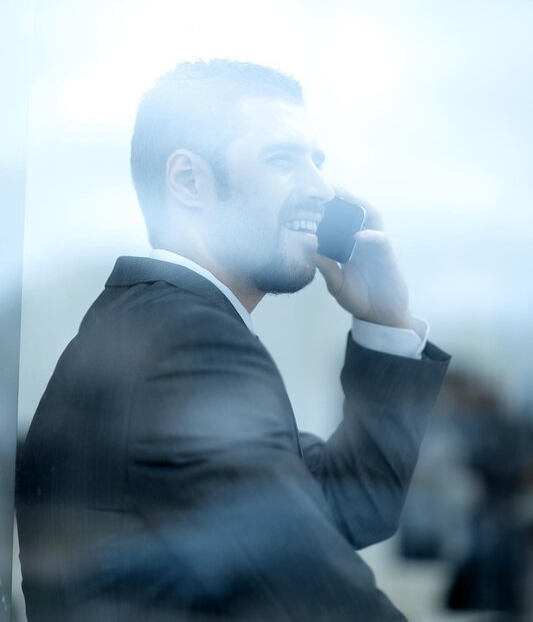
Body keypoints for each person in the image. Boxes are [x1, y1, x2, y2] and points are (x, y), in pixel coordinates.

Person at [16, 60, 450, 622]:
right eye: (282, 159)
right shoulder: (187, 344)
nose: (322, 188)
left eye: (316, 162)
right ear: (189, 181)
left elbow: (348, 505)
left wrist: (386, 321)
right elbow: (320, 603)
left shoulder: (157, 328)